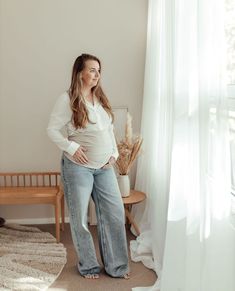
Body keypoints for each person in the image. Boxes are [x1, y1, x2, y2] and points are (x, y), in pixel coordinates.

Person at [47, 53, 129, 279]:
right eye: (92, 70)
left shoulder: (100, 98)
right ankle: (89, 266)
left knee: (114, 213)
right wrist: (71, 147)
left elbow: (109, 129)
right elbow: (52, 130)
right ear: (79, 73)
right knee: (80, 219)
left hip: (104, 168)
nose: (97, 74)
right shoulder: (67, 99)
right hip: (77, 167)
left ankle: (117, 267)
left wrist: (113, 152)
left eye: (98, 70)